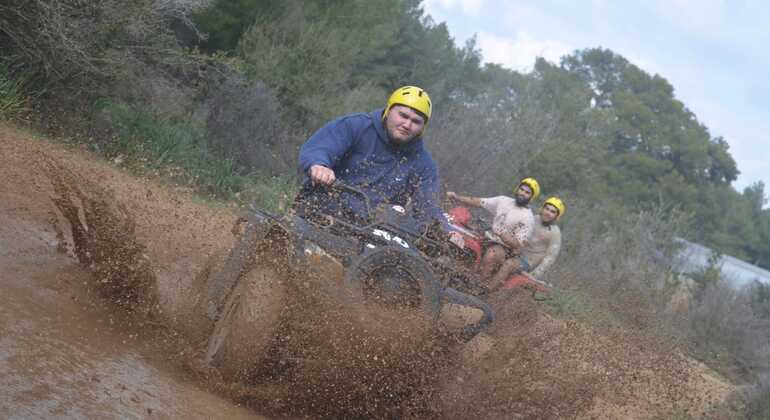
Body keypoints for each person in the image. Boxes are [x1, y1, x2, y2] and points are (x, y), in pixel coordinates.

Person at [297, 85, 446, 229]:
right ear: (388, 110)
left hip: (372, 229)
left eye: (416, 121)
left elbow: (429, 207)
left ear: (423, 128)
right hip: (320, 209)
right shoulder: (356, 126)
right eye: (403, 115)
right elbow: (321, 148)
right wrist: (319, 165)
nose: (407, 124)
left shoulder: (423, 164)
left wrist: (445, 230)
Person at [446, 177, 539, 285]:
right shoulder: (503, 200)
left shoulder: (527, 217)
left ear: (531, 197)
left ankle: (477, 285)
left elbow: (517, 244)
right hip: (488, 237)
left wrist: (502, 234)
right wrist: (457, 197)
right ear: (517, 189)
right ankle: (456, 268)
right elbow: (479, 202)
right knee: (462, 237)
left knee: (491, 254)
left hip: (505, 249)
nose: (522, 193)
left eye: (527, 193)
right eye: (521, 189)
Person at [490, 196, 565, 290]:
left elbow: (550, 258)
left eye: (552, 212)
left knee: (509, 264)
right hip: (515, 252)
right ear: (542, 209)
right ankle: (480, 280)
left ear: (557, 216)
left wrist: (535, 274)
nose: (548, 213)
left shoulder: (555, 233)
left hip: (528, 262)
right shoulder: (533, 218)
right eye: (547, 209)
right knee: (493, 252)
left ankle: (487, 289)